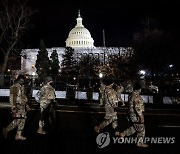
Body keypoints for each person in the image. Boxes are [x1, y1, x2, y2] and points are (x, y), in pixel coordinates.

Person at [116, 82, 148, 147]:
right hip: (135, 115)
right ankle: (139, 143)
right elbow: (137, 108)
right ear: (139, 89)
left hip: (130, 114)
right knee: (141, 128)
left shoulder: (131, 94)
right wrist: (141, 116)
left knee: (135, 127)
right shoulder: (137, 96)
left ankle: (123, 134)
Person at [2, 75, 29, 140]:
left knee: (23, 120)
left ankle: (18, 135)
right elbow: (12, 98)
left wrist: (27, 105)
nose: (22, 81)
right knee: (17, 120)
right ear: (18, 79)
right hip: (17, 106)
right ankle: (6, 129)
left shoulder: (21, 86)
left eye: (23, 80)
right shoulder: (14, 87)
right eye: (21, 80)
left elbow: (23, 96)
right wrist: (14, 107)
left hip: (22, 106)